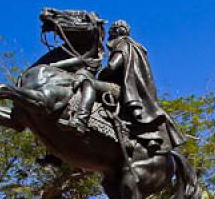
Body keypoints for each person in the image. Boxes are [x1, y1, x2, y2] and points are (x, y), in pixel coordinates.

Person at [71, 20, 184, 152]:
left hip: (121, 89)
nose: (109, 38)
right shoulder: (137, 47)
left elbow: (113, 66)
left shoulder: (124, 44)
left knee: (88, 82)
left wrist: (98, 75)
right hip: (132, 91)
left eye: (111, 33)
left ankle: (81, 120)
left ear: (115, 33)